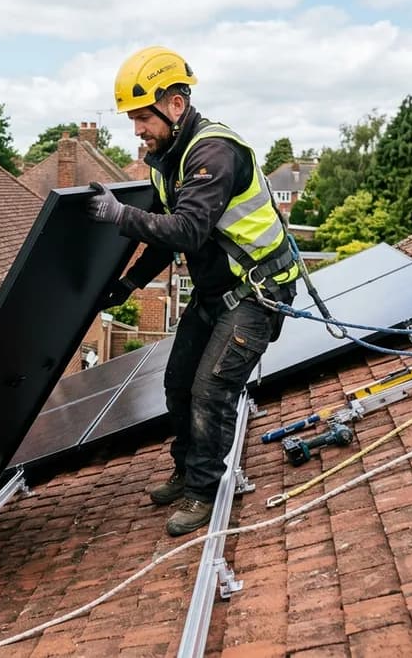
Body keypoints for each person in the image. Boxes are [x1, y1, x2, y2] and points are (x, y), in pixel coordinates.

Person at [85, 46, 298, 537]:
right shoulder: (166, 159)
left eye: (143, 117)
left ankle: (203, 491)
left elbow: (186, 230)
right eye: (134, 120)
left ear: (175, 104)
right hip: (214, 293)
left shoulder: (212, 152)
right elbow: (163, 234)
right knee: (177, 384)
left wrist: (120, 216)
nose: (137, 130)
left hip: (255, 292)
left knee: (211, 390)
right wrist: (130, 284)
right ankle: (185, 472)